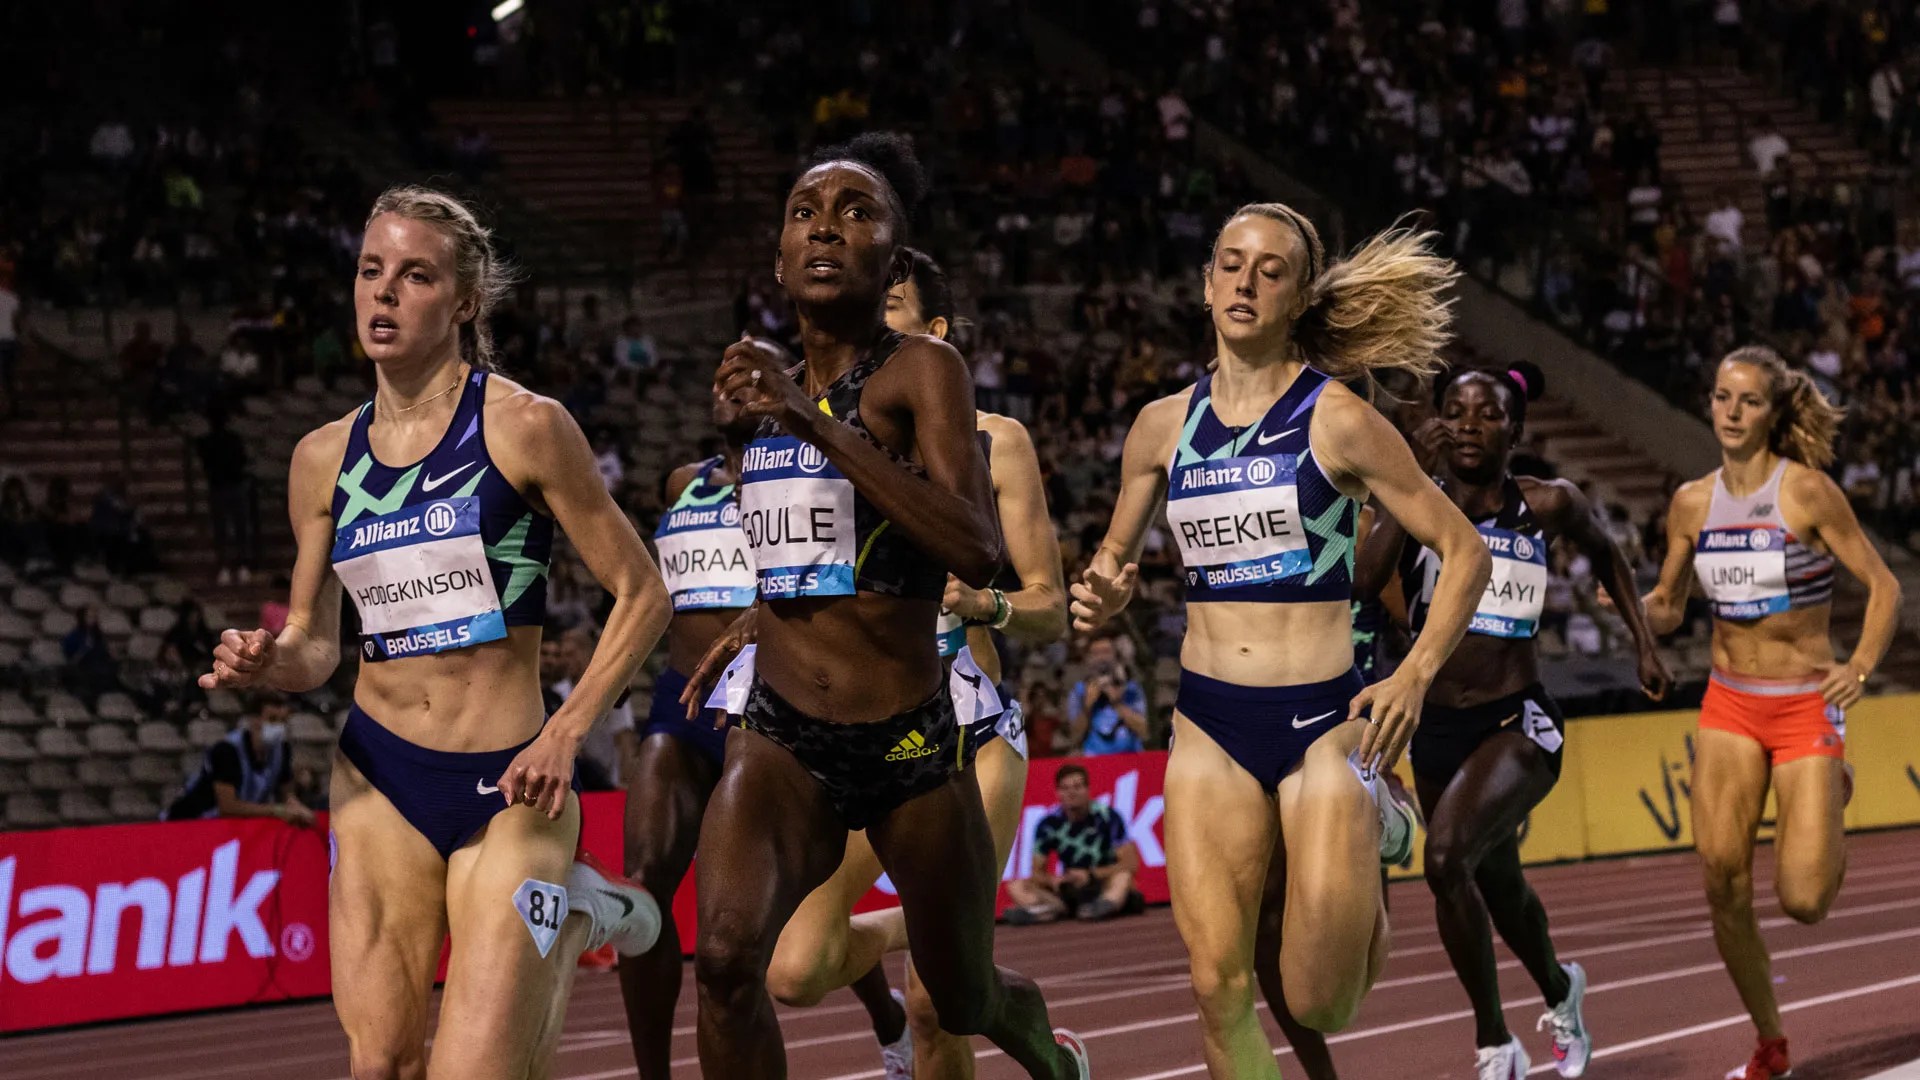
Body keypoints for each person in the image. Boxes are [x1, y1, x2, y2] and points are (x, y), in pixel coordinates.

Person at [198, 185, 671, 1079]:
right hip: (379, 776)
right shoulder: (321, 459)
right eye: (371, 271)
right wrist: (271, 661)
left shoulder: (526, 427)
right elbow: (317, 644)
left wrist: (568, 731)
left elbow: (643, 593)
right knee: (380, 1067)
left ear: (463, 303)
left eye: (413, 276)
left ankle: (572, 912)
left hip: (512, 787)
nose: (383, 293)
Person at [684, 133, 1089, 1079]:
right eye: (804, 213)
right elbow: (810, 559)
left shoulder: (920, 372)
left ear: (893, 259)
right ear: (781, 260)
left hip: (908, 741)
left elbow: (974, 545)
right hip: (783, 735)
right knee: (728, 963)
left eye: (856, 211)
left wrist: (806, 420)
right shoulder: (762, 391)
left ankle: (1054, 1063)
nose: (826, 225)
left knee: (962, 997)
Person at [1071, 203, 1492, 1079]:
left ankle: (1381, 816)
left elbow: (1465, 551)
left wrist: (1413, 677)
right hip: (1209, 724)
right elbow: (1112, 559)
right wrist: (1104, 586)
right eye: (1229, 263)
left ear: (1299, 296)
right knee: (1217, 985)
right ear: (1204, 282)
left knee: (1316, 1001)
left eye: (1269, 270)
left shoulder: (1338, 420)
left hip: (1323, 727)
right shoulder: (1159, 429)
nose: (1244, 282)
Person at [760, 246, 1068, 1080]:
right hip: (851, 733)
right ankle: (941, 920)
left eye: (889, 303)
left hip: (965, 730)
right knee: (793, 970)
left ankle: (958, 949)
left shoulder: (995, 441)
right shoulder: (805, 429)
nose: (867, 315)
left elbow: (1047, 606)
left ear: (933, 334)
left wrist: (982, 604)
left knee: (939, 1005)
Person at [1355, 363, 1674, 1079]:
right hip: (1432, 724)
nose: (1469, 424)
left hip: (1518, 720)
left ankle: (1494, 1041)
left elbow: (1608, 553)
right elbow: (1364, 581)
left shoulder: (1547, 504)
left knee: (1443, 858)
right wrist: (1410, 478)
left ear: (1515, 431)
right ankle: (1562, 991)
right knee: (1494, 883)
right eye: (1457, 411)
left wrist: (1643, 645)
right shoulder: (1419, 502)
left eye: (1487, 413)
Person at [1627, 346, 1899, 1080]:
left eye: (1748, 400)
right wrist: (1635, 607)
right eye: (1721, 397)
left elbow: (1884, 586)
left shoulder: (1807, 492)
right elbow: (1672, 605)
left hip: (1806, 698)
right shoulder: (1690, 502)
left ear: (1774, 412)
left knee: (1806, 900)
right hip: (1729, 702)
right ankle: (1770, 1041)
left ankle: (1830, 785)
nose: (1732, 412)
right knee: (1720, 877)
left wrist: (1861, 667)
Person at [616, 384, 758, 1080]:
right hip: (679, 700)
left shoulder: (796, 473)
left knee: (752, 929)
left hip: (763, 705)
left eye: (750, 376)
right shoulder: (684, 483)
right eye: (721, 380)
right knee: (642, 886)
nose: (730, 389)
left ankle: (886, 1020)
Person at [1004, 763, 1141, 924]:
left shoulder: (1108, 817)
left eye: (1077, 787)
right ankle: (1056, 908)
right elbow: (1037, 872)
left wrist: (1090, 875)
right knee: (1016, 886)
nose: (1072, 793)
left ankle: (1099, 906)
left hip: (1101, 883)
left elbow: (1131, 864)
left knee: (1123, 878)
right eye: (1065, 788)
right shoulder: (1048, 824)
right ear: (1057, 792)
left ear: (1088, 789)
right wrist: (1054, 881)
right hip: (1070, 888)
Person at [161, 693, 314, 824]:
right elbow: (228, 807)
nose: (279, 727)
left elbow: (286, 793)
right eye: (273, 719)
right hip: (192, 821)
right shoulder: (227, 751)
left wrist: (295, 805)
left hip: (230, 826)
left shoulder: (282, 750)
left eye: (283, 721)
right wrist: (277, 810)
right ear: (254, 721)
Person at [1065, 635, 1148, 754]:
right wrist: (1087, 706)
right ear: (1088, 658)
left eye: (1106, 652)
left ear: (1115, 655)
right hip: (1094, 761)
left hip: (1130, 759)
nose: (1102, 658)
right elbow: (1074, 737)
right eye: (1096, 653)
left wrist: (1117, 703)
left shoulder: (1131, 689)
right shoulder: (1079, 691)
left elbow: (1143, 731)